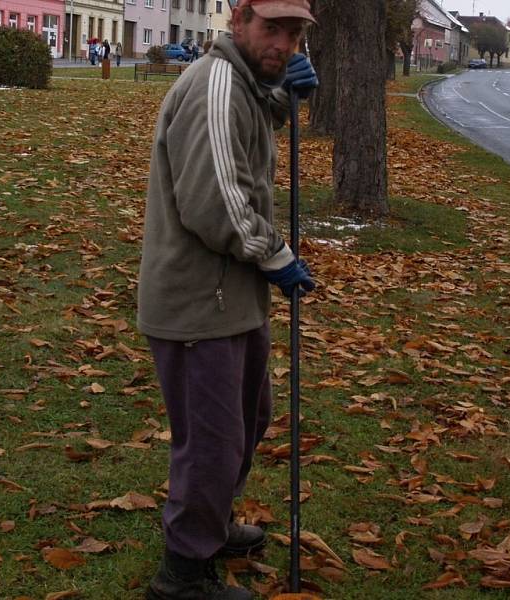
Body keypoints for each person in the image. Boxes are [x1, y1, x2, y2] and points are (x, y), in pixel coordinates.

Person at [136, 0, 319, 598]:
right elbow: (216, 202)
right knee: (213, 439)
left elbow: (251, 120)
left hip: (231, 294)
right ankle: (184, 571)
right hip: (198, 299)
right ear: (238, 21)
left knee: (248, 419)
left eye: (294, 34)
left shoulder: (245, 82)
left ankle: (207, 520)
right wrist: (279, 257)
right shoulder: (215, 82)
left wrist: (286, 99)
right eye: (272, 30)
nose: (284, 45)